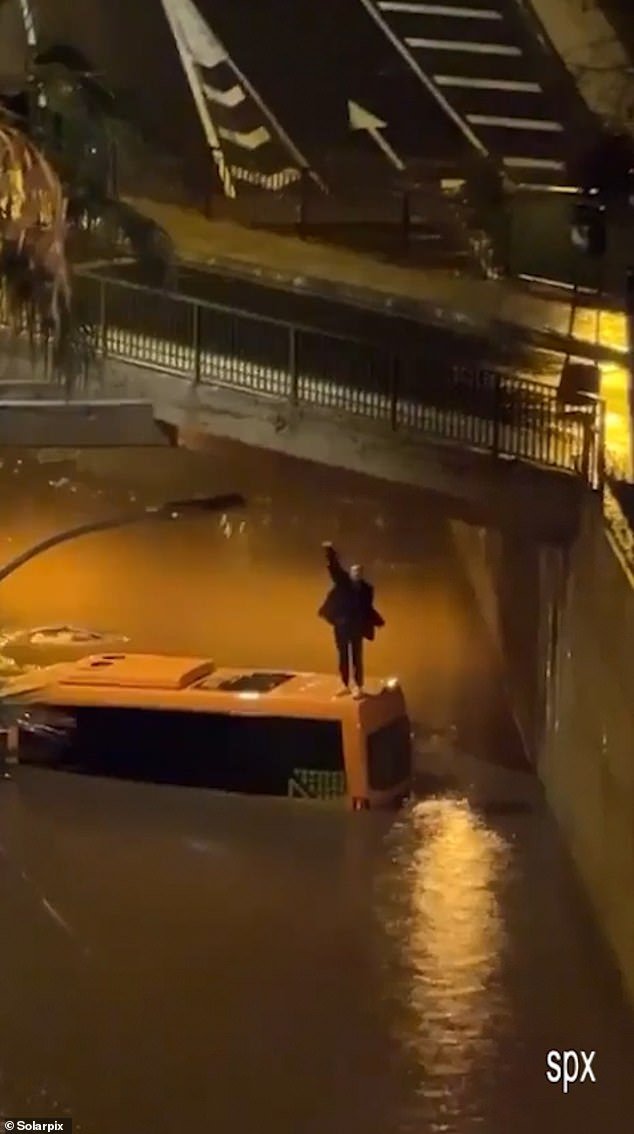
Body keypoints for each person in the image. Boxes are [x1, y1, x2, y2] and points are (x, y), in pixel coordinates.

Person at [318, 542, 384, 697]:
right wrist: (329, 552)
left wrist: (378, 620)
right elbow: (334, 569)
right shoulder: (343, 583)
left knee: (356, 657)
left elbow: (367, 608)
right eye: (354, 572)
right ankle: (346, 684)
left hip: (356, 627)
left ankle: (358, 686)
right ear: (351, 573)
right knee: (343, 656)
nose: (356, 574)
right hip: (341, 626)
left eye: (359, 572)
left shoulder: (367, 589)